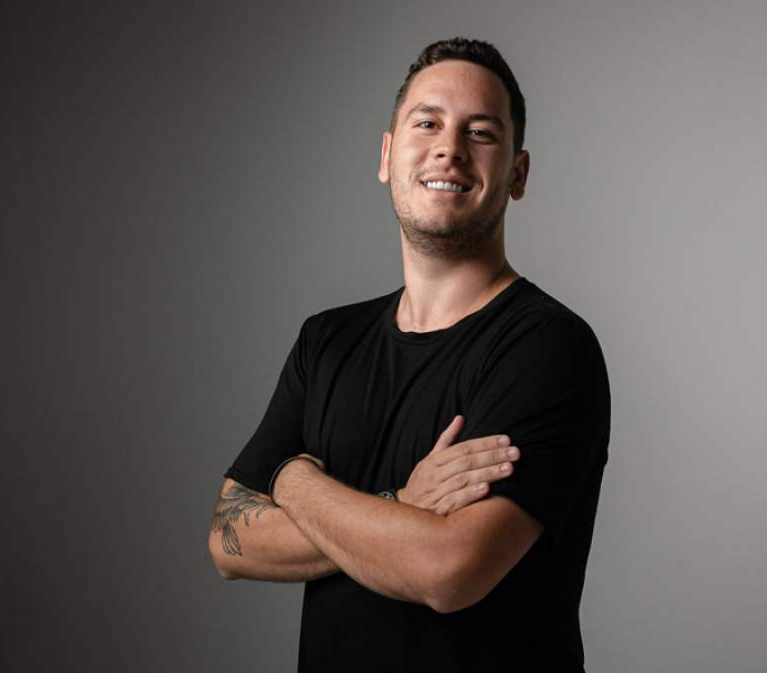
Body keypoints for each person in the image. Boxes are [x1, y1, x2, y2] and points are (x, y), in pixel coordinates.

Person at [208, 36, 611, 672]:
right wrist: (402, 506)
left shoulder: (549, 348)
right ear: (387, 155)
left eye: (481, 132)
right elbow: (229, 543)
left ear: (518, 173)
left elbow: (448, 570)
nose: (449, 148)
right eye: (427, 124)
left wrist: (293, 481)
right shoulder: (327, 341)